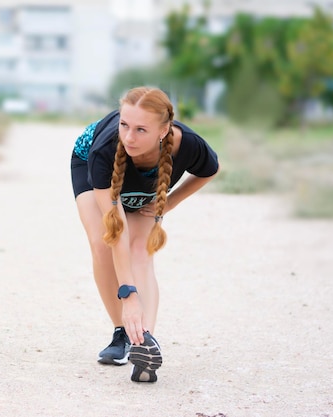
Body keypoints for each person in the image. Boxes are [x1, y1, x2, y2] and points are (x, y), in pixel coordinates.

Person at [70, 86, 220, 383]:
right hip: (89, 161)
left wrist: (167, 203)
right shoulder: (105, 149)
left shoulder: (188, 144)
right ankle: (121, 333)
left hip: (149, 179)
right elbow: (117, 231)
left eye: (141, 129)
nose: (129, 137)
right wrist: (128, 296)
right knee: (103, 244)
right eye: (124, 125)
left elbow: (209, 171)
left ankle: (144, 345)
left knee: (141, 251)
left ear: (165, 130)